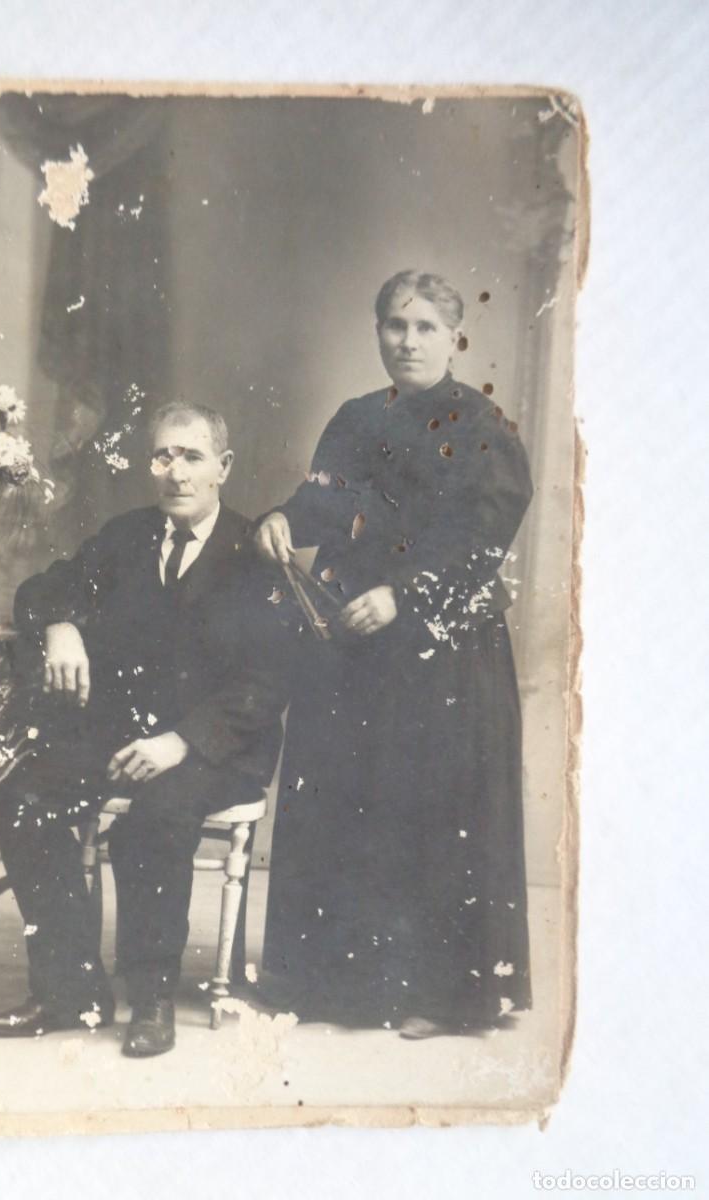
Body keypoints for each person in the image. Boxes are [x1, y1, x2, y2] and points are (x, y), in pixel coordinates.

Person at [255, 269, 534, 1037]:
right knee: (346, 794)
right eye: (395, 326)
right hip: (353, 637)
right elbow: (321, 501)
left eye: (424, 328)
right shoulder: (354, 418)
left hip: (443, 645)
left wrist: (403, 596)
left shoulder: (485, 425)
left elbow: (483, 534)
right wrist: (282, 520)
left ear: (454, 338)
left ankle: (440, 996)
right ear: (378, 331)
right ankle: (335, 985)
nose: (407, 341)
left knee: (430, 807)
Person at [0, 402, 290, 1056]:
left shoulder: (252, 554)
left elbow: (268, 682)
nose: (176, 472)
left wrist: (182, 742)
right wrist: (61, 625)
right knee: (23, 794)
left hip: (215, 748)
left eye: (193, 457)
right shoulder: (127, 536)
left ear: (223, 467)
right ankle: (71, 990)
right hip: (124, 735)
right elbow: (39, 590)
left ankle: (151, 998)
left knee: (156, 815)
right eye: (163, 456)